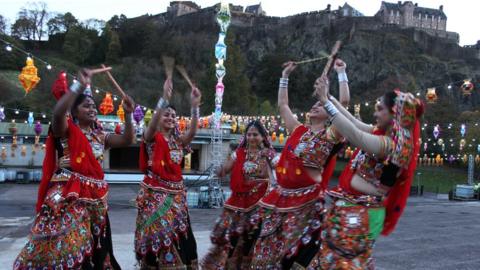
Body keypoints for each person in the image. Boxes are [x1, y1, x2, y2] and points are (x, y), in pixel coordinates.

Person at [14, 68, 136, 269]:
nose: (92, 108)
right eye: (86, 106)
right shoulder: (66, 130)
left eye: (93, 106)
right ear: (75, 111)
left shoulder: (100, 136)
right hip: (68, 197)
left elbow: (128, 139)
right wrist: (78, 85)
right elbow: (58, 112)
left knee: (98, 248)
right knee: (70, 249)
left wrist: (129, 115)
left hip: (95, 200)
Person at [308, 76, 423, 269]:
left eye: (380, 109)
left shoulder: (390, 145)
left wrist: (327, 103)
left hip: (361, 215)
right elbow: (353, 122)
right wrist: (329, 97)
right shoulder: (381, 134)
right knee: (335, 261)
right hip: (354, 210)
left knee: (344, 263)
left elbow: (355, 135)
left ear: (394, 114)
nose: (375, 113)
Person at [250, 59, 349, 269]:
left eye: (321, 105)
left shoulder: (330, 134)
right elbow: (283, 105)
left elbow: (344, 105)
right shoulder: (298, 130)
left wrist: (341, 74)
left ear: (330, 112)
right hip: (281, 197)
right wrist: (285, 77)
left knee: (294, 255)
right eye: (314, 104)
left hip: (307, 200)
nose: (315, 106)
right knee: (265, 251)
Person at [135, 77, 201, 269]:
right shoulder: (151, 138)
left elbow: (193, 133)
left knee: (182, 236)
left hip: (177, 197)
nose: (171, 118)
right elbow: (152, 123)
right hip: (155, 195)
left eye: (173, 116)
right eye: (166, 115)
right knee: (159, 236)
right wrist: (164, 98)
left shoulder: (178, 141)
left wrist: (195, 107)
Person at [202, 120, 277, 269]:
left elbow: (280, 169)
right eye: (249, 134)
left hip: (259, 204)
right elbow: (226, 169)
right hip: (238, 203)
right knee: (233, 238)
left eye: (255, 134)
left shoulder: (269, 154)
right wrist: (220, 170)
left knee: (252, 239)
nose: (251, 137)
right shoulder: (239, 153)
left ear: (263, 137)